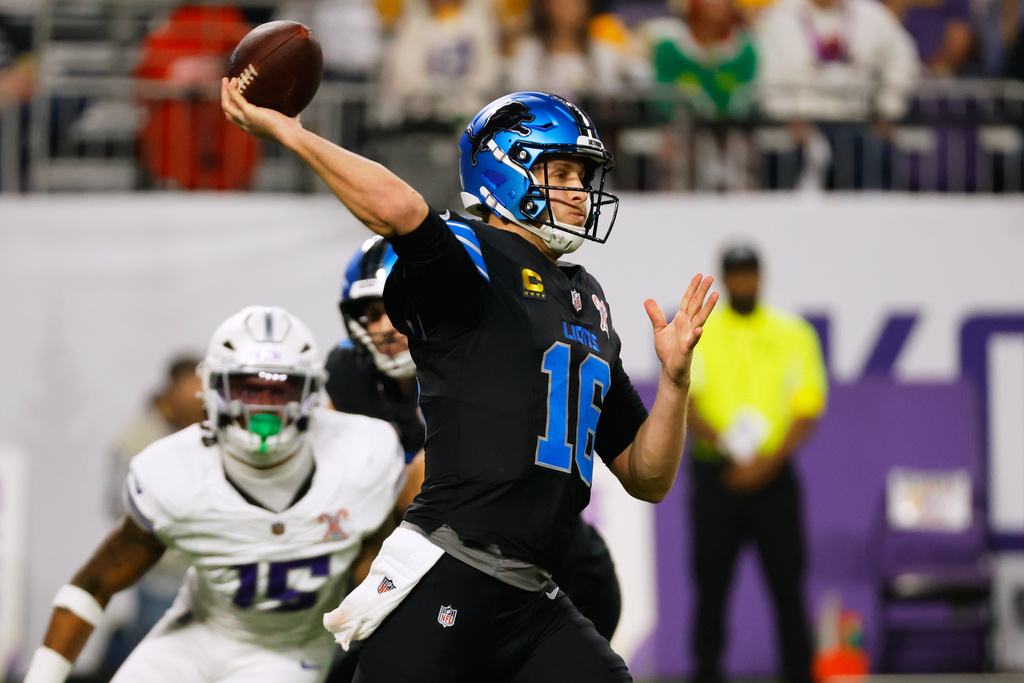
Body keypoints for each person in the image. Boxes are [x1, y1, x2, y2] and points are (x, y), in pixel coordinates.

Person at [221, 82, 717, 682]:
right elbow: (401, 211)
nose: (580, 192)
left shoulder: (587, 299)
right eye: (563, 172)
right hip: (448, 567)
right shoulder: (474, 254)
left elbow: (647, 476)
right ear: (506, 171)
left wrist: (674, 381)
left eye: (584, 177)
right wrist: (293, 133)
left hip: (532, 594)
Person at [23, 306, 405, 683]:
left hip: (289, 649)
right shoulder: (174, 470)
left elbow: (379, 569)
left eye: (279, 389)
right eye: (248, 388)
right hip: (197, 634)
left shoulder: (360, 454)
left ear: (309, 392)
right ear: (213, 388)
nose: (262, 407)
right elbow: (95, 584)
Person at [327, 235, 623, 641]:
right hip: (450, 567)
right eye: (371, 314)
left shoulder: (482, 353)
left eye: (393, 305)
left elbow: (430, 487)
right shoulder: (348, 372)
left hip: (554, 566)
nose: (384, 327)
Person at [684, 243, 828, 683]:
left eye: (749, 272)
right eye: (736, 273)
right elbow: (685, 400)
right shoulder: (701, 330)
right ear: (725, 278)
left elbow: (807, 405)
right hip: (717, 474)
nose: (743, 280)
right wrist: (728, 448)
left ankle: (799, 674)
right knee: (710, 587)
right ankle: (706, 674)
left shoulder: (793, 332)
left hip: (773, 474)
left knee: (788, 586)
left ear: (760, 276)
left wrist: (768, 462)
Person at [100, 353, 206, 674]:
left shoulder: (200, 433)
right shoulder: (138, 439)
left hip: (203, 574)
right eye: (192, 397)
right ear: (172, 393)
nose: (199, 407)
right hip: (160, 574)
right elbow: (118, 503)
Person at [754, 0, 920, 190]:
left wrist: (888, 108)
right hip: (797, 129)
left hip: (857, 124)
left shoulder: (871, 14)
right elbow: (765, 74)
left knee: (873, 183)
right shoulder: (779, 17)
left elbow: (902, 58)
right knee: (789, 192)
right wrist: (786, 116)